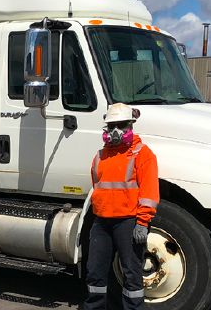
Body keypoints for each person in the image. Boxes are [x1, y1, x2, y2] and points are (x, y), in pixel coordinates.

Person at [84, 103, 159, 310]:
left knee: (132, 274)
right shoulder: (100, 156)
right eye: (111, 126)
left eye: (121, 125)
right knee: (95, 272)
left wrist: (142, 223)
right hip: (102, 223)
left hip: (128, 222)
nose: (115, 131)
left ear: (130, 126)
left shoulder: (142, 154)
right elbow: (97, 187)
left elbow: (150, 192)